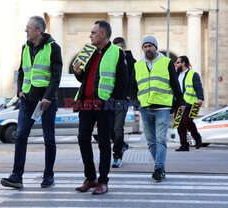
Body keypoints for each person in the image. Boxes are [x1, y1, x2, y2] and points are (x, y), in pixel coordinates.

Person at [1, 16, 62, 189]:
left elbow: (56, 77)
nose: (25, 30)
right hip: (27, 101)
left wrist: (48, 97)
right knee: (20, 137)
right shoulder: (25, 48)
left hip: (46, 102)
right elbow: (21, 72)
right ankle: (16, 176)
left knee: (49, 139)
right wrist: (19, 90)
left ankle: (49, 176)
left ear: (38, 30)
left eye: (28, 28)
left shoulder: (54, 48)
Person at [73, 21, 128, 194]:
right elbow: (86, 79)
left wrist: (112, 104)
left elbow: (122, 81)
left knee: (104, 143)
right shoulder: (87, 52)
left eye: (93, 32)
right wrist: (78, 73)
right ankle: (90, 178)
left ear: (103, 34)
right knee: (82, 138)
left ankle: (103, 181)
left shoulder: (116, 52)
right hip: (85, 103)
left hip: (104, 105)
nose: (90, 35)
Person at [131, 36, 185, 182]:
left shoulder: (166, 62)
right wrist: (136, 102)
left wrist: (180, 101)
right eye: (145, 46)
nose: (148, 49)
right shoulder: (137, 65)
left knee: (161, 139)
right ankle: (160, 168)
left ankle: (158, 169)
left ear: (155, 47)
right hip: (145, 108)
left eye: (150, 46)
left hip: (163, 107)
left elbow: (175, 83)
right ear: (143, 49)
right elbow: (133, 86)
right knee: (151, 141)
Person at [111, 37, 136, 168]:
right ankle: (122, 144)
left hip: (122, 99)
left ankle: (117, 155)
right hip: (108, 99)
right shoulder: (110, 59)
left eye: (120, 48)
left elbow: (134, 81)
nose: (118, 51)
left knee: (117, 127)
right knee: (108, 128)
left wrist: (130, 96)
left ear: (124, 48)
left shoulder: (131, 62)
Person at [175, 56, 204, 151]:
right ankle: (184, 145)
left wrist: (200, 98)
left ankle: (197, 137)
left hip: (193, 104)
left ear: (183, 63)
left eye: (178, 62)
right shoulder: (176, 75)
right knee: (179, 124)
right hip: (179, 104)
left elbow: (198, 87)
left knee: (187, 122)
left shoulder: (193, 74)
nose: (176, 64)